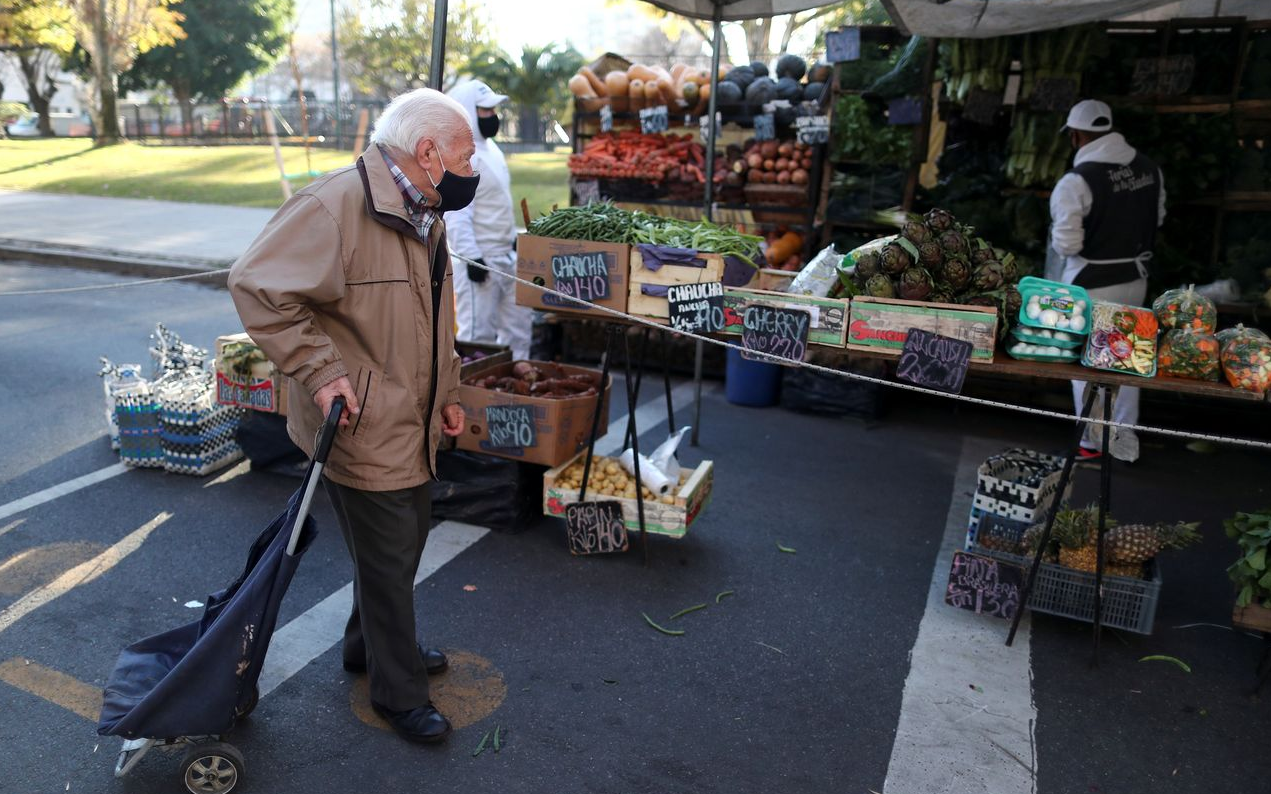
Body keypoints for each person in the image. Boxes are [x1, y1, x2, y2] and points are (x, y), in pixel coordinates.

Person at [228, 88, 477, 745]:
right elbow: (257, 284)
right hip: (363, 419)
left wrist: (449, 392)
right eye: (463, 155)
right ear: (427, 154)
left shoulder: (425, 206)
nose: (472, 169)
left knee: (398, 545)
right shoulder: (335, 205)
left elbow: (437, 317)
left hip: (409, 414)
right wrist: (319, 369)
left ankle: (366, 646)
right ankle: (398, 693)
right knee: (393, 557)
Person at [1049, 99, 1165, 464]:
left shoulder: (1077, 181)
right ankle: (1123, 441)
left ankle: (1092, 442)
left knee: (1087, 365)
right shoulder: (1150, 170)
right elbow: (1157, 219)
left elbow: (1068, 243)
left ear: (1076, 136)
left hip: (1092, 282)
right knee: (1127, 360)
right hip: (1135, 278)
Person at [446, 79, 533, 360]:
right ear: (468, 111)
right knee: (477, 339)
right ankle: (470, 400)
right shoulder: (462, 156)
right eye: (485, 110)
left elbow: (497, 204)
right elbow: (457, 213)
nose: (493, 116)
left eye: (494, 109)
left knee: (518, 332)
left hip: (506, 257)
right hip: (480, 261)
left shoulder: (492, 150)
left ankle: (515, 390)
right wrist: (472, 257)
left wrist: (513, 240)